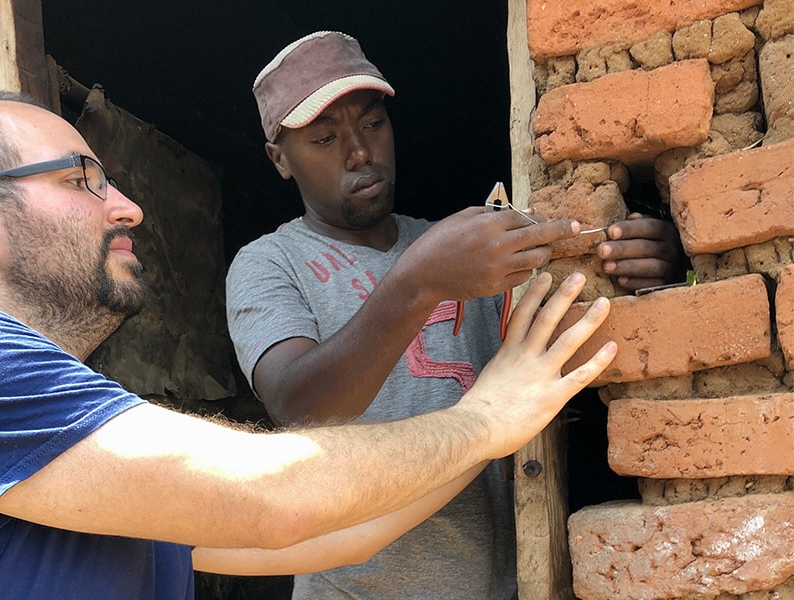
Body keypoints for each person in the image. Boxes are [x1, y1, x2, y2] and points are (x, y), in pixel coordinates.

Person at [0, 92, 620, 599]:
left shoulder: (74, 467)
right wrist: (487, 418)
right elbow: (271, 500)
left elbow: (343, 537)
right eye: (84, 178)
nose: (128, 206)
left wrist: (503, 418)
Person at [226, 31, 684, 599]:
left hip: (506, 585)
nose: (360, 153)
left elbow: (572, 334)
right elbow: (297, 404)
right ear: (280, 160)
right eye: (324, 138)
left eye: (372, 124)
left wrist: (650, 268)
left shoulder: (465, 246)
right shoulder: (271, 262)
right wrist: (419, 282)